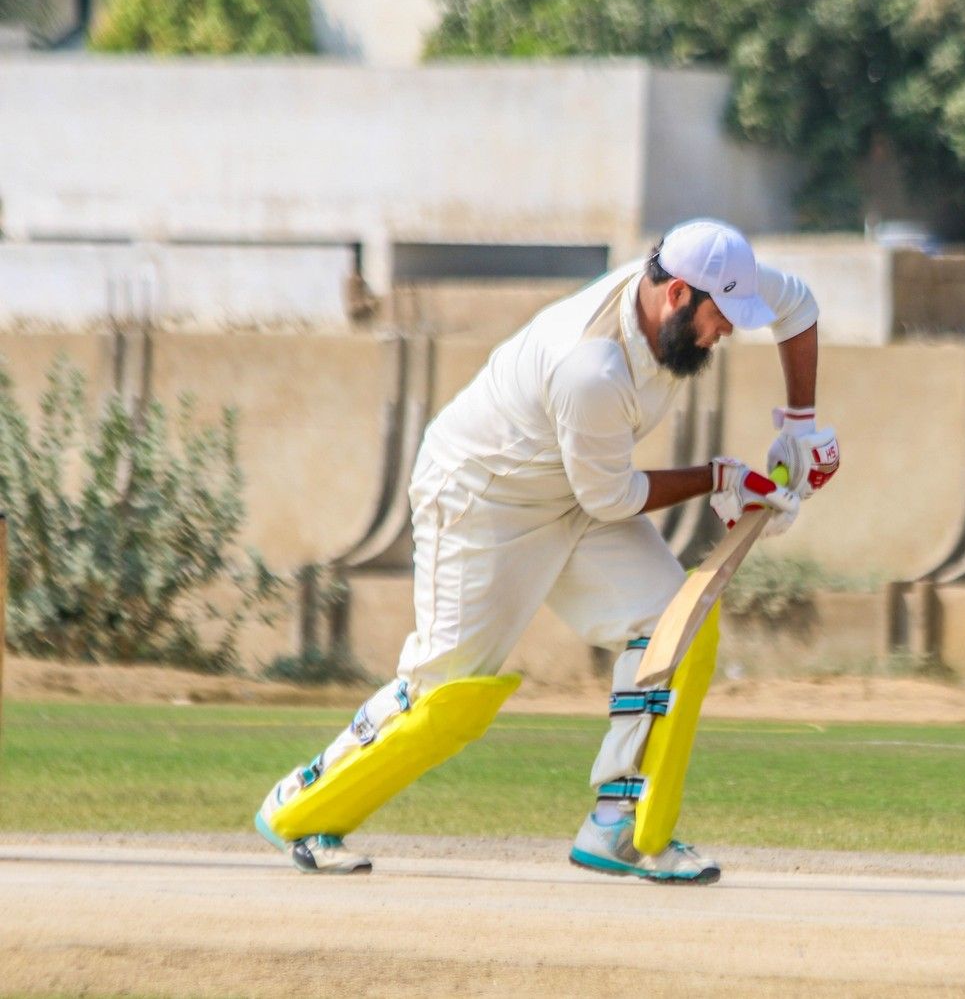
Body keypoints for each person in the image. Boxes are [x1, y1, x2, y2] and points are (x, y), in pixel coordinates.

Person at [254, 219, 839, 883]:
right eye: (721, 317)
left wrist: (800, 429)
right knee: (447, 696)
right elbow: (613, 498)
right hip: (483, 498)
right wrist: (720, 477)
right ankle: (298, 809)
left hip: (574, 488)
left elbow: (799, 307)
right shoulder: (590, 366)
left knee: (678, 624)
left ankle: (621, 828)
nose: (727, 331)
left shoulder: (715, 274)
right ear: (677, 294)